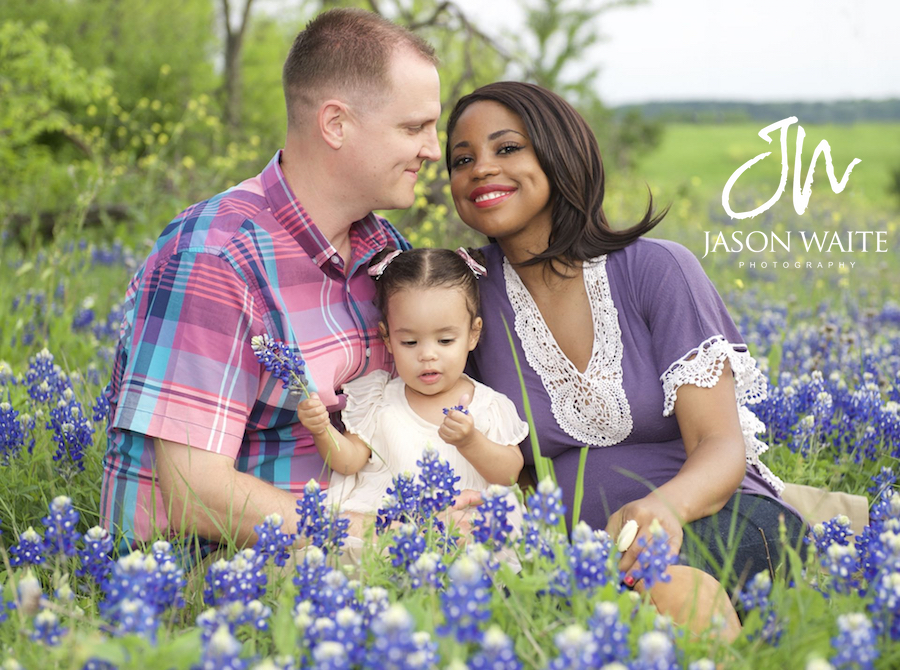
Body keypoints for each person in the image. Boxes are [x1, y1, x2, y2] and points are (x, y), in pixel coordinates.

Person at [445, 81, 807, 638]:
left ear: (558, 151)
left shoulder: (656, 268)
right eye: (462, 159)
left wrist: (664, 510)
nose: (480, 169)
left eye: (507, 148)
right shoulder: (466, 299)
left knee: (661, 586)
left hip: (712, 521)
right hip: (579, 557)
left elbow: (720, 444)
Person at [98, 8, 449, 560]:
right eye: (413, 127)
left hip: (357, 541)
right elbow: (196, 493)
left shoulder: (387, 250)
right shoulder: (214, 255)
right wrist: (383, 540)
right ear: (335, 124)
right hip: (214, 578)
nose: (433, 148)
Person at [296, 248, 527, 541]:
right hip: (390, 530)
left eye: (445, 340)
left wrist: (471, 441)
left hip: (465, 527)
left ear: (473, 334)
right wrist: (322, 430)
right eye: (409, 341)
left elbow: (508, 474)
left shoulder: (488, 405)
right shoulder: (378, 398)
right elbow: (349, 462)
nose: (427, 355)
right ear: (387, 339)